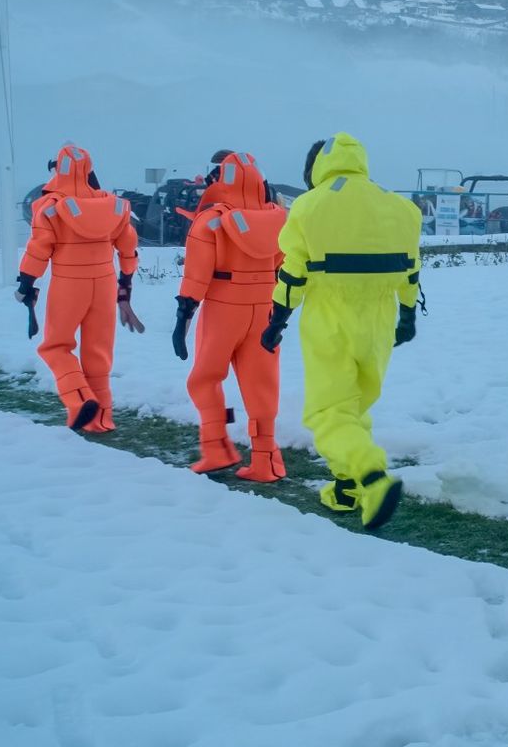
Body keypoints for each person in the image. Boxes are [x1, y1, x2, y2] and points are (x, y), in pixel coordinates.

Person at [262, 133, 422, 531]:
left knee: (328, 411)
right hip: (381, 320)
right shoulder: (401, 207)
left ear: (316, 167)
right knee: (353, 406)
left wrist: (276, 321)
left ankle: (372, 478)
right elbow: (411, 269)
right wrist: (407, 316)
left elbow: (293, 273)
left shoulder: (307, 207)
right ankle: (346, 486)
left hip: (331, 318)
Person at [172, 150, 287, 481]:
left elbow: (196, 276)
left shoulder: (211, 221)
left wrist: (183, 318)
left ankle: (218, 445)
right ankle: (267, 460)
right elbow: (284, 265)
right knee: (261, 385)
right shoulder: (278, 218)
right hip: (265, 308)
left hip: (223, 307)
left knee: (205, 379)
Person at [17, 143, 143, 432]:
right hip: (105, 283)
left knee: (55, 347)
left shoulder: (49, 207)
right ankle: (101, 419)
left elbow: (39, 249)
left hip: (69, 283)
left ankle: (79, 400)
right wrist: (126, 280)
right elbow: (128, 247)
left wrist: (26, 282)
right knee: (98, 353)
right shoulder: (114, 206)